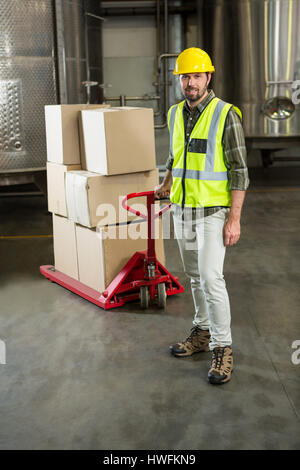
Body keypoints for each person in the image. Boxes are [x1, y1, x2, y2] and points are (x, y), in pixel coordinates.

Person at [154, 47, 249, 385]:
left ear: (208, 77)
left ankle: (223, 349)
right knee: (194, 276)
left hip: (213, 212)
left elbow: (239, 170)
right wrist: (165, 185)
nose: (190, 82)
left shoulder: (226, 114)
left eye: (196, 75)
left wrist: (234, 218)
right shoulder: (175, 113)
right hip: (183, 208)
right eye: (184, 76)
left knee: (211, 278)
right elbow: (173, 157)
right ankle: (202, 332)